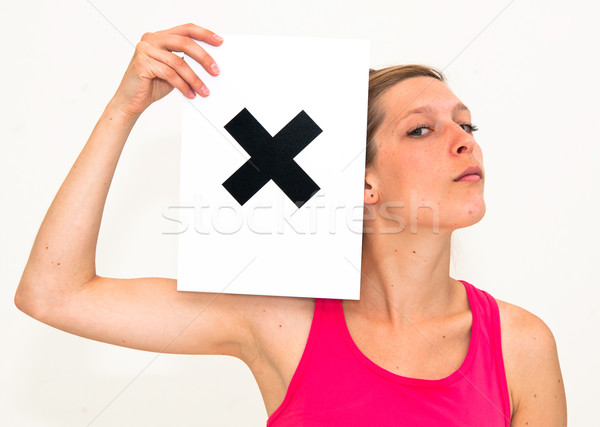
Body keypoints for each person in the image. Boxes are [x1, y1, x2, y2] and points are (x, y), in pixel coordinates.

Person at [14, 23, 567, 426]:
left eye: (467, 123)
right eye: (420, 130)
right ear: (362, 182)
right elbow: (53, 294)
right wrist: (123, 110)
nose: (465, 140)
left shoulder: (519, 345)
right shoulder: (281, 318)